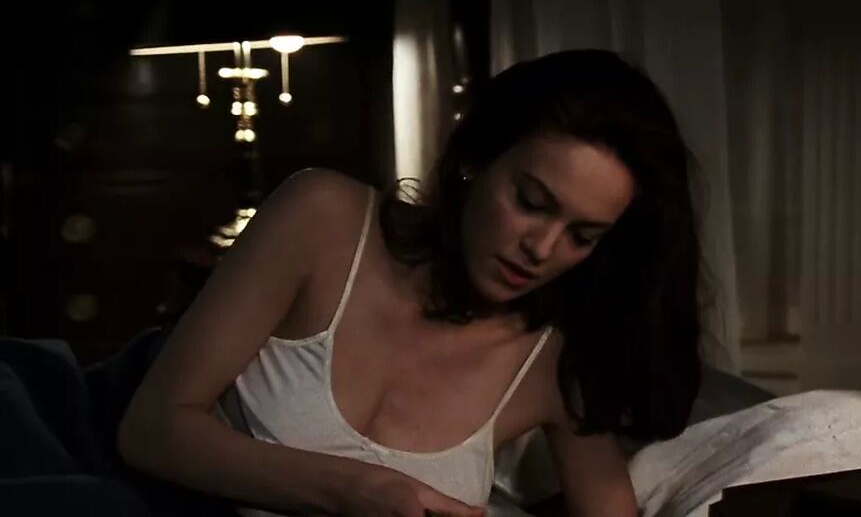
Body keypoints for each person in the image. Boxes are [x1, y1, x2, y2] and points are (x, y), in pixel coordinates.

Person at [118, 49, 705, 517]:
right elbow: (150, 430)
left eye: (582, 235)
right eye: (531, 202)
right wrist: (355, 491)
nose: (542, 248)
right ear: (475, 158)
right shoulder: (322, 219)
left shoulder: (553, 362)